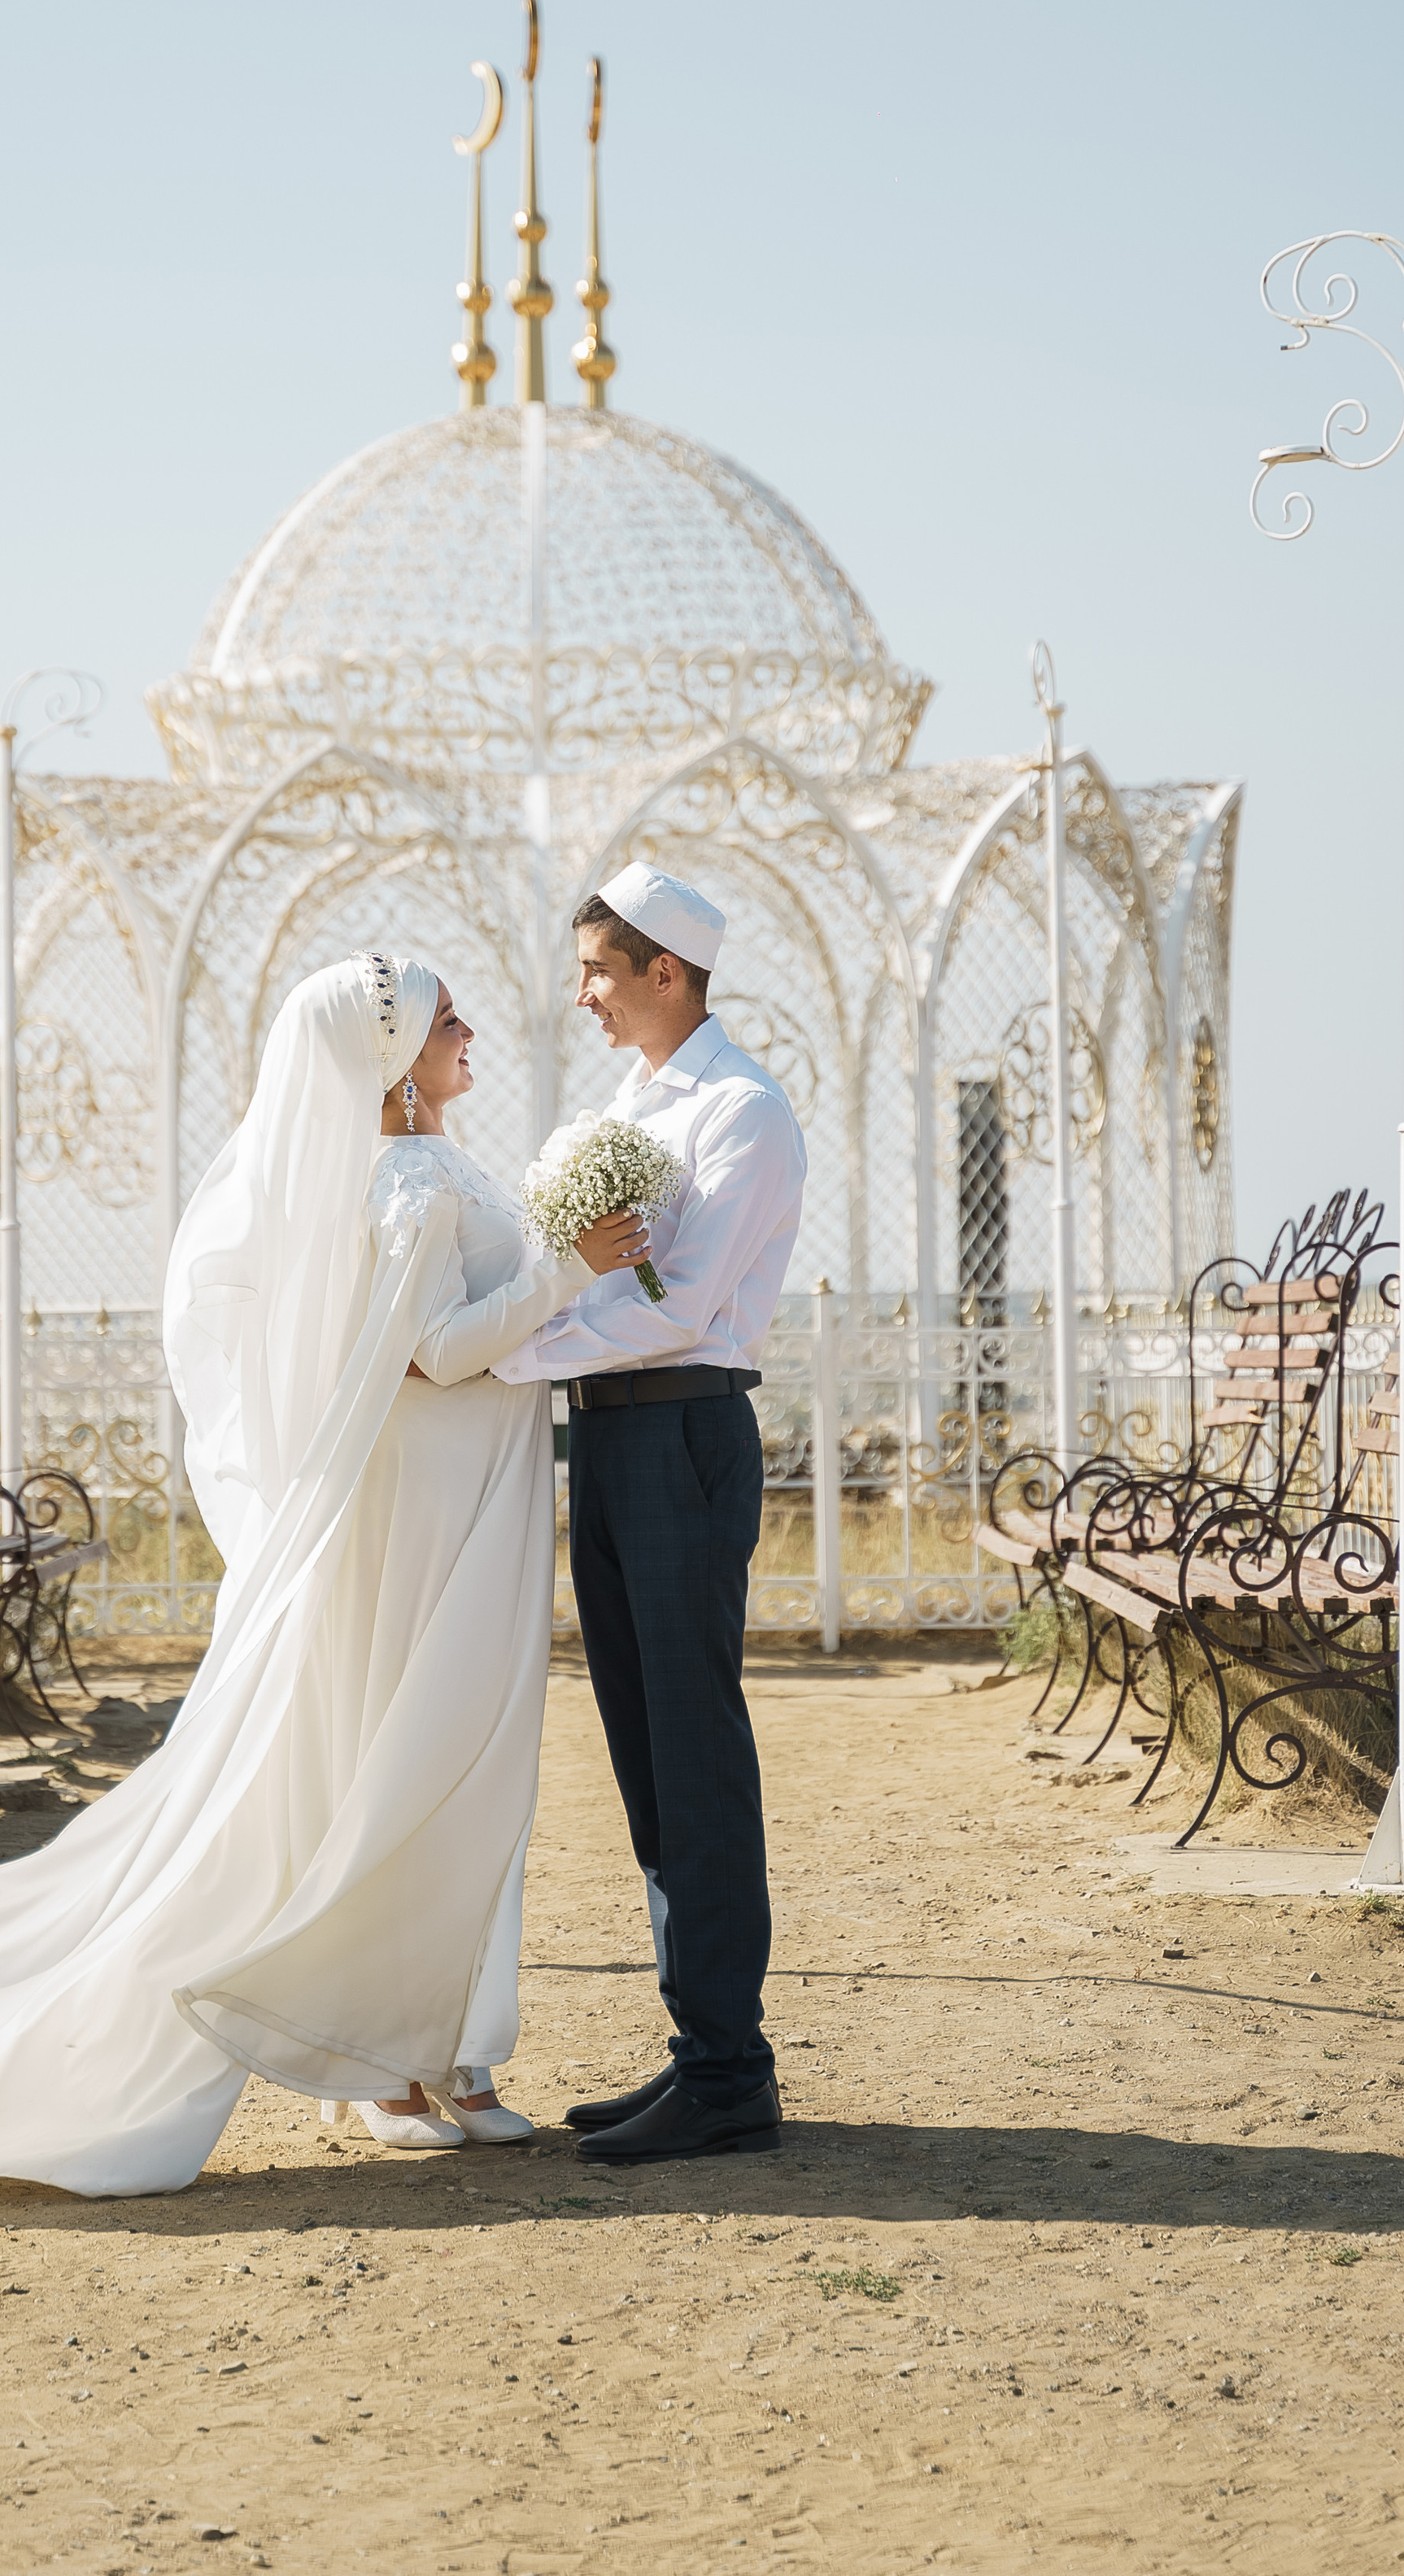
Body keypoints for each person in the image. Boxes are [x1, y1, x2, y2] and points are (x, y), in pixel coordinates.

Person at [0, 948, 647, 2196]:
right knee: (444, 1761)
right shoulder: (416, 1176)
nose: (470, 1027)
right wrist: (570, 1268)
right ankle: (424, 2063)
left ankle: (416, 2060)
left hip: (454, 1508)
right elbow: (433, 1352)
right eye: (445, 1017)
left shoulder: (414, 1168)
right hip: (439, 1519)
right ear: (396, 1061)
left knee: (430, 1762)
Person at [493, 862, 806, 2166]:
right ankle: (702, 2050)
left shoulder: (743, 1112)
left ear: (664, 974)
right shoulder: (633, 1107)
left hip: (680, 1429)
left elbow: (677, 1309)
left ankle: (731, 2072)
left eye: (598, 975)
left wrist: (505, 1349)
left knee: (693, 1746)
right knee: (642, 1750)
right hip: (615, 1437)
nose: (582, 999)